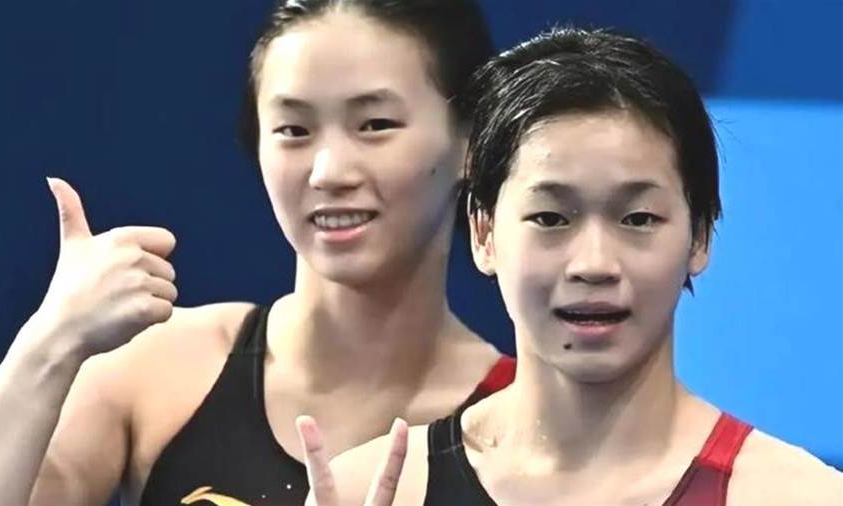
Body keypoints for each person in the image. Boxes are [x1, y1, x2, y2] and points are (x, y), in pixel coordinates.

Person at [0, 1, 516, 505]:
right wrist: (48, 347)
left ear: (472, 140)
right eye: (293, 130)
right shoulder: (159, 369)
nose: (328, 171)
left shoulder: (518, 422)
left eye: (375, 124)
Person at [302, 27, 843, 505]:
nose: (594, 264)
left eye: (638, 219)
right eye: (551, 218)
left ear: (699, 235)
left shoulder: (796, 497)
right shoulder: (374, 491)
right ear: (484, 232)